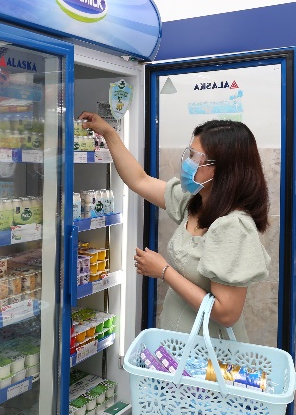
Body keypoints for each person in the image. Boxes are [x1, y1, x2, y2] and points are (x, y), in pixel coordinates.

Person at [79, 112, 270, 342]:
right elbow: (140, 180)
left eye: (195, 157)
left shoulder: (232, 227)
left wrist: (164, 271)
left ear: (222, 169)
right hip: (179, 347)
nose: (188, 163)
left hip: (209, 353)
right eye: (189, 153)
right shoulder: (196, 202)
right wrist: (108, 132)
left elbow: (226, 313)